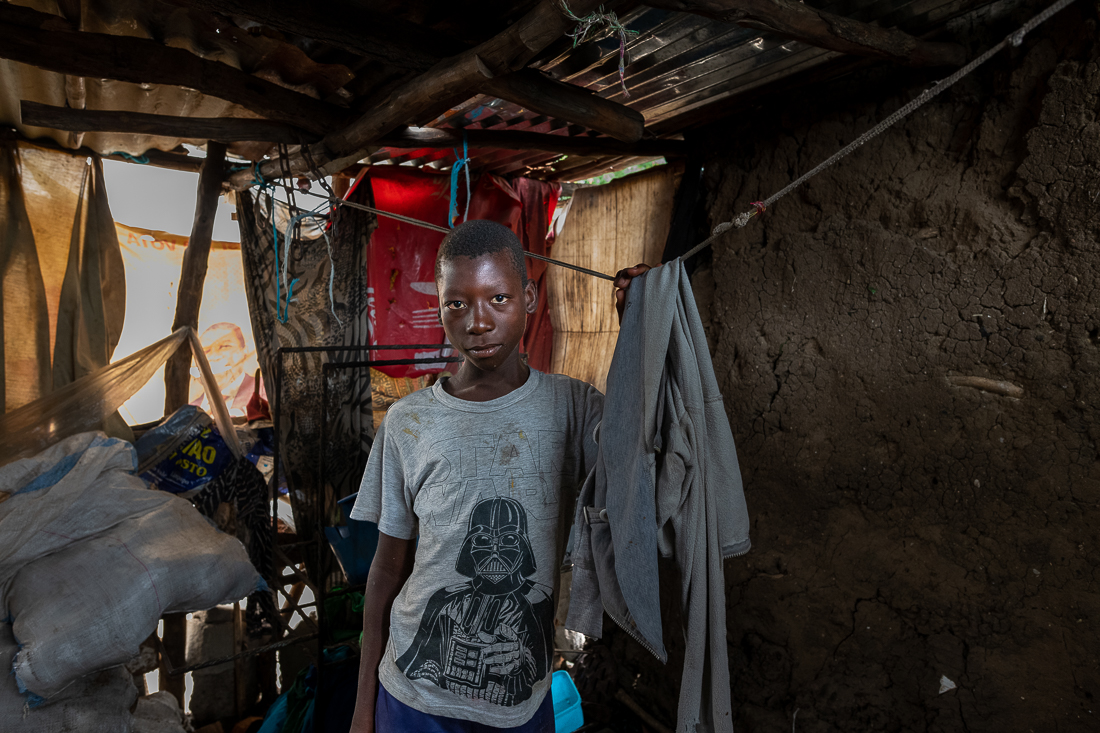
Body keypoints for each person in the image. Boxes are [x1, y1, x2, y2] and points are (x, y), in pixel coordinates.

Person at [349, 219, 649, 732]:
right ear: (440, 307)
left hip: (520, 706)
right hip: (412, 702)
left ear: (529, 298)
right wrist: (362, 707)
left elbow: (640, 444)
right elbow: (385, 572)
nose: (478, 322)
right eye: (457, 304)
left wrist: (638, 326)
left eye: (498, 299)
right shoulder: (409, 423)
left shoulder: (571, 407)